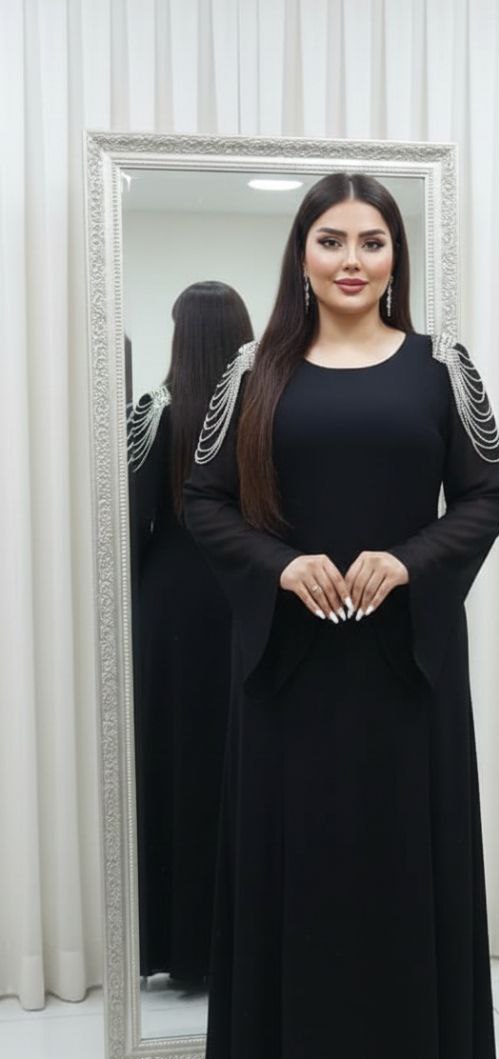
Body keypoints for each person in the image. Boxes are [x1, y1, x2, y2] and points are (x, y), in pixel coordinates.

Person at [183, 172, 499, 1059]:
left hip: (404, 678)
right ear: (302, 254)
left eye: (371, 241)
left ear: (394, 255)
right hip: (290, 680)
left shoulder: (441, 369)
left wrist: (409, 559)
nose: (352, 259)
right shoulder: (251, 374)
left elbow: (487, 496)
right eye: (330, 240)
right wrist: (277, 566)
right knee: (311, 894)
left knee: (397, 885)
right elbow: (203, 503)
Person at [127, 281, 253, 987]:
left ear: (180, 334)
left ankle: (177, 947)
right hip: (246, 595)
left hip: (171, 606)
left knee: (176, 762)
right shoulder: (265, 409)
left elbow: (130, 525)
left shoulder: (155, 412)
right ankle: (242, 943)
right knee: (243, 762)